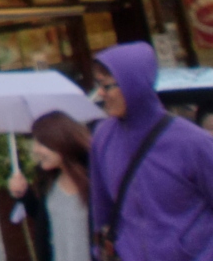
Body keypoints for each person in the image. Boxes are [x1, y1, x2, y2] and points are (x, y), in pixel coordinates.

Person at [90, 42, 213, 261]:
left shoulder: (192, 143)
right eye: (98, 84)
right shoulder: (103, 137)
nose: (101, 94)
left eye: (107, 86)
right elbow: (102, 212)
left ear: (134, 84)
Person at [7, 111, 92, 261]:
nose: (35, 149)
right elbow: (44, 220)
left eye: (41, 143)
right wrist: (24, 194)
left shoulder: (94, 179)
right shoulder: (49, 182)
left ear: (60, 142)